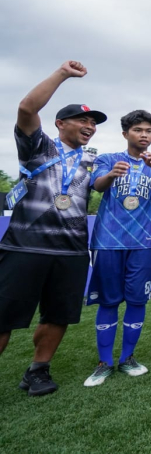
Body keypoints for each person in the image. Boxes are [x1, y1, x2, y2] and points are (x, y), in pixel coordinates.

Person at [0, 61, 106, 396]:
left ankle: (38, 370)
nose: (89, 126)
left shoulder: (90, 160)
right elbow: (26, 107)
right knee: (3, 315)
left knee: (58, 315)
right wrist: (62, 73)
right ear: (60, 123)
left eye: (93, 123)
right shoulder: (38, 147)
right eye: (82, 120)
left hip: (72, 250)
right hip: (24, 246)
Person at [84, 110, 151, 387]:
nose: (144, 135)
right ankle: (104, 362)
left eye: (148, 131)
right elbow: (97, 185)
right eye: (138, 130)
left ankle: (128, 358)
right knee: (108, 301)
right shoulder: (108, 159)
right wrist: (112, 175)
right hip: (109, 241)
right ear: (125, 133)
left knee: (137, 301)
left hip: (145, 242)